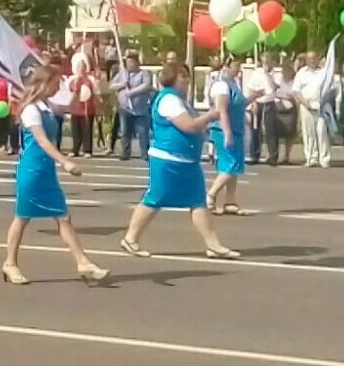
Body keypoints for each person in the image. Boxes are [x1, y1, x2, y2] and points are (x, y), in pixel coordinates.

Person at [2, 65, 109, 285]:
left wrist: (80, 88)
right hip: (31, 170)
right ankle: (10, 263)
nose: (58, 86)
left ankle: (83, 262)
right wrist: (65, 161)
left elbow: (68, 106)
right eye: (56, 82)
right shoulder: (31, 109)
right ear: (44, 83)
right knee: (23, 217)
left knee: (63, 216)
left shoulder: (47, 106)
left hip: (46, 171)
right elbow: (42, 140)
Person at [119, 64, 238, 259]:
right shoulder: (168, 100)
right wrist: (210, 115)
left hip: (186, 161)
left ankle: (213, 245)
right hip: (168, 160)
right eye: (185, 78)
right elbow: (188, 126)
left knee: (198, 201)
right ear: (175, 78)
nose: (188, 82)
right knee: (155, 198)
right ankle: (130, 238)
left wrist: (204, 130)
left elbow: (194, 126)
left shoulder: (179, 101)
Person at [206, 58, 254, 215]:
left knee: (235, 167)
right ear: (226, 67)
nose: (238, 69)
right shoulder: (221, 85)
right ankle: (211, 195)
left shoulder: (233, 84)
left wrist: (255, 96)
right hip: (224, 130)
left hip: (236, 129)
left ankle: (230, 201)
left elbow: (240, 103)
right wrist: (227, 133)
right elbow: (222, 110)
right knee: (230, 165)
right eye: (235, 66)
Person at [293, 51, 332, 168]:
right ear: (306, 60)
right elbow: (296, 90)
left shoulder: (324, 72)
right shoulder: (301, 73)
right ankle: (311, 158)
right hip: (306, 105)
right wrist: (305, 103)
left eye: (314, 58)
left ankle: (324, 159)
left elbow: (330, 88)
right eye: (309, 59)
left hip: (321, 105)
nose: (312, 61)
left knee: (322, 131)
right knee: (309, 132)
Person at [110, 53, 153, 160]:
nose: (129, 64)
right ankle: (125, 152)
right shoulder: (122, 74)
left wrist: (132, 92)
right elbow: (111, 86)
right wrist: (122, 85)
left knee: (143, 132)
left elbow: (146, 85)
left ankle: (145, 153)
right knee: (125, 132)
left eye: (131, 62)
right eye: (128, 62)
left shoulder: (144, 73)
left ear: (137, 62)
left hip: (140, 110)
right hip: (125, 109)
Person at [246, 53, 282, 166]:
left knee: (271, 130)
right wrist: (253, 103)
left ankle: (273, 156)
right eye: (264, 61)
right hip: (258, 102)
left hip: (270, 103)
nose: (266, 64)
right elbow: (251, 89)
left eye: (268, 61)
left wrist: (268, 75)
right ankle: (254, 154)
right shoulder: (256, 73)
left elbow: (275, 86)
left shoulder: (277, 73)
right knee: (255, 130)